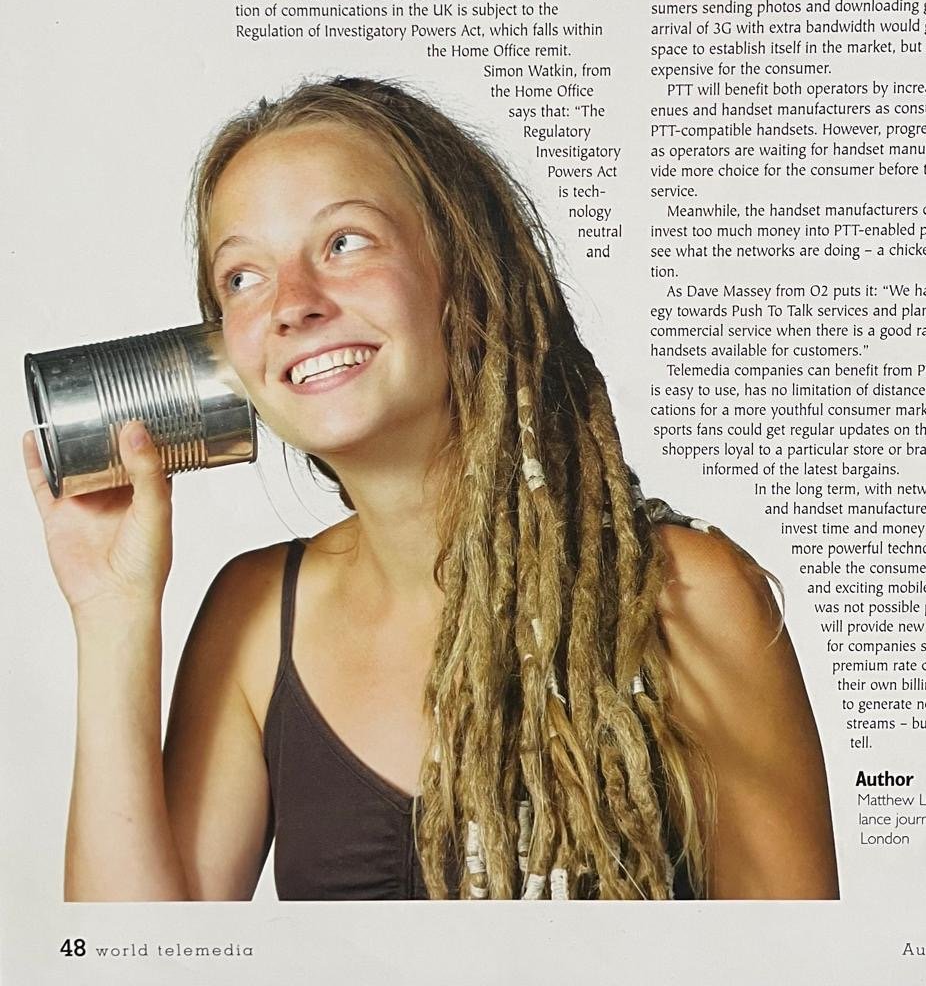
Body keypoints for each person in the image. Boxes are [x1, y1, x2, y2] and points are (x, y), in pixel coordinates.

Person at [25, 76, 838, 902]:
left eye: (345, 243)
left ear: (465, 272)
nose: (292, 305)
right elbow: (133, 963)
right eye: (242, 277)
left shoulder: (686, 595)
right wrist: (111, 612)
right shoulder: (256, 615)